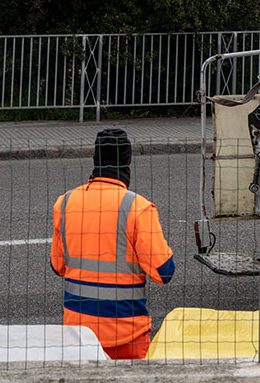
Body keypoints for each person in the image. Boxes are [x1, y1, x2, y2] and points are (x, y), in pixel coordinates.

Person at [50, 128, 175, 359]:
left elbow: (58, 266)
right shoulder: (139, 207)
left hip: (76, 335)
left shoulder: (65, 203)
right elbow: (163, 272)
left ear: (95, 159)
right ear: (127, 162)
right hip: (126, 336)